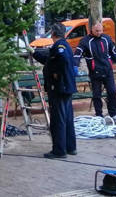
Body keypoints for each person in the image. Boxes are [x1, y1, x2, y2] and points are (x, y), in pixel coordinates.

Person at [32, 22, 77, 159]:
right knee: (68, 118)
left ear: (53, 33)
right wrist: (34, 53)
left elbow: (60, 60)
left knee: (58, 119)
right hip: (65, 87)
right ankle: (70, 147)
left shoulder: (60, 46)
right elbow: (48, 59)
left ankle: (59, 150)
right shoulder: (63, 45)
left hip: (59, 87)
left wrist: (56, 73)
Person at [74, 22, 116, 123]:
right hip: (95, 71)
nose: (98, 33)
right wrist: (75, 65)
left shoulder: (107, 38)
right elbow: (77, 54)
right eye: (96, 31)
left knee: (112, 92)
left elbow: (113, 51)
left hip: (107, 70)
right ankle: (99, 115)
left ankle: (113, 114)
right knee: (97, 94)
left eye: (100, 31)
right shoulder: (85, 41)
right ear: (91, 30)